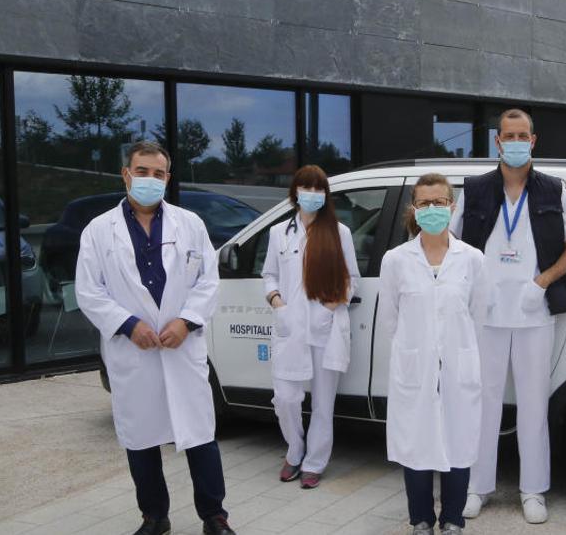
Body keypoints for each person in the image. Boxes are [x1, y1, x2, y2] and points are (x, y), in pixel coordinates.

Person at [75, 141, 236, 535]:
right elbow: (89, 291)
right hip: (134, 352)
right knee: (141, 440)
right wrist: (129, 325)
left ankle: (214, 517)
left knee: (200, 437)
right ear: (126, 175)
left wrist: (187, 321)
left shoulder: (190, 224)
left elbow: (208, 281)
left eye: (158, 173)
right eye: (142, 172)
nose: (150, 180)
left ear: (168, 178)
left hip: (181, 348)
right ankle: (154, 516)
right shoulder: (99, 231)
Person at [449, 108, 566, 524]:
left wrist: (542, 282)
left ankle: (533, 490)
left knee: (532, 405)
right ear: (497, 142)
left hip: (533, 311)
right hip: (485, 316)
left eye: (521, 135)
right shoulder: (474, 190)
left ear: (533, 140)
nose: (514, 142)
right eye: (507, 135)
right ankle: (476, 486)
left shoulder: (551, 190)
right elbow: (452, 244)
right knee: (483, 403)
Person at [379, 173, 488, 535]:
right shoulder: (396, 260)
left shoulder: (472, 259)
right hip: (415, 368)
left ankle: (454, 520)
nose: (432, 209)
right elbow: (391, 319)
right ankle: (421, 519)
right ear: (413, 208)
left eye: (439, 202)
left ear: (452, 207)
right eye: (424, 203)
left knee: (458, 442)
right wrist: (417, 351)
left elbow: (479, 314)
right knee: (416, 443)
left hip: (458, 367)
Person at [261, 165, 360, 489]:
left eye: (319, 189)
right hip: (291, 326)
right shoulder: (279, 233)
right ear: (295, 192)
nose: (313, 194)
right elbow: (269, 275)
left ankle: (315, 463)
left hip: (325, 327)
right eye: (307, 188)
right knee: (285, 397)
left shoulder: (339, 232)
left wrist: (329, 308)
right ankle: (294, 450)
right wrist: (279, 304)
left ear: (326, 195)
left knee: (322, 403)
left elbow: (351, 280)